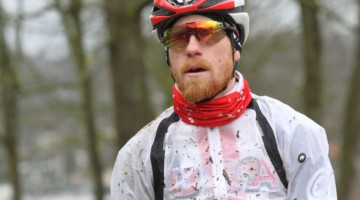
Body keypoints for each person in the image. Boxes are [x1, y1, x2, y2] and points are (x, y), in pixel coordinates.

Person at [110, 0, 337, 199]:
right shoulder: (138, 155)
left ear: (235, 45)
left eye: (207, 32)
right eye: (177, 38)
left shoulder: (294, 134)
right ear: (167, 56)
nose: (191, 48)